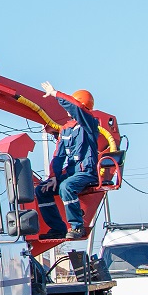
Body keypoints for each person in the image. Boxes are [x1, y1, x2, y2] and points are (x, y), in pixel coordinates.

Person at [41, 81, 100, 240]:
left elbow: (77, 108)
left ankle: (76, 226)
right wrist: (53, 176)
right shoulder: (66, 129)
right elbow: (58, 156)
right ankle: (57, 228)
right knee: (41, 190)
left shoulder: (89, 124)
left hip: (86, 173)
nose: (67, 110)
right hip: (71, 173)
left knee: (66, 187)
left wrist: (55, 94)